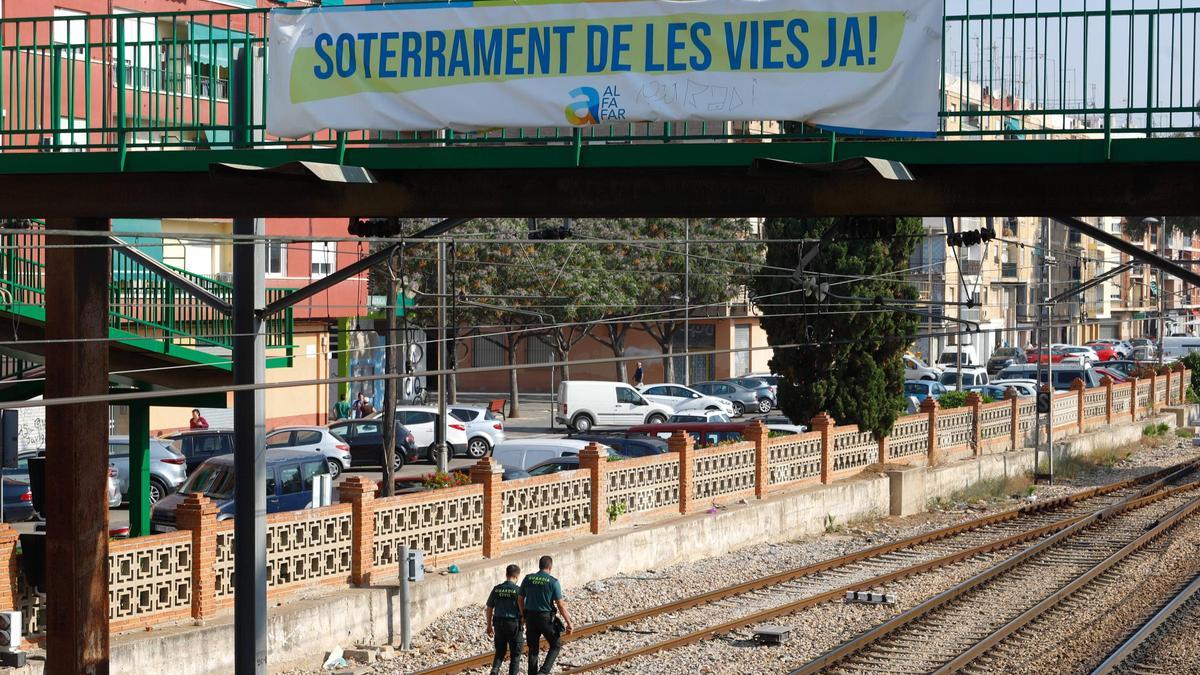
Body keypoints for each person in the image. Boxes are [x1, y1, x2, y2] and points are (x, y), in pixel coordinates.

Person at [519, 555, 573, 675]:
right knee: (556, 644)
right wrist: (569, 623)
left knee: (533, 649)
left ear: (540, 566)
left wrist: (523, 615)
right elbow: (560, 605)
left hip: (530, 618)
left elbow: (520, 599)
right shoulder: (553, 582)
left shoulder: (528, 578)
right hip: (546, 619)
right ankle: (543, 672)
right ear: (550, 567)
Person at [485, 564, 523, 675]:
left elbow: (489, 607)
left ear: (506, 574)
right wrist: (524, 619)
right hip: (513, 624)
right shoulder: (518, 590)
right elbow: (522, 608)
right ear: (517, 577)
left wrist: (489, 625)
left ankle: (494, 670)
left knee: (500, 650)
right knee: (515, 653)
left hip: (498, 623)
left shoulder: (496, 589)